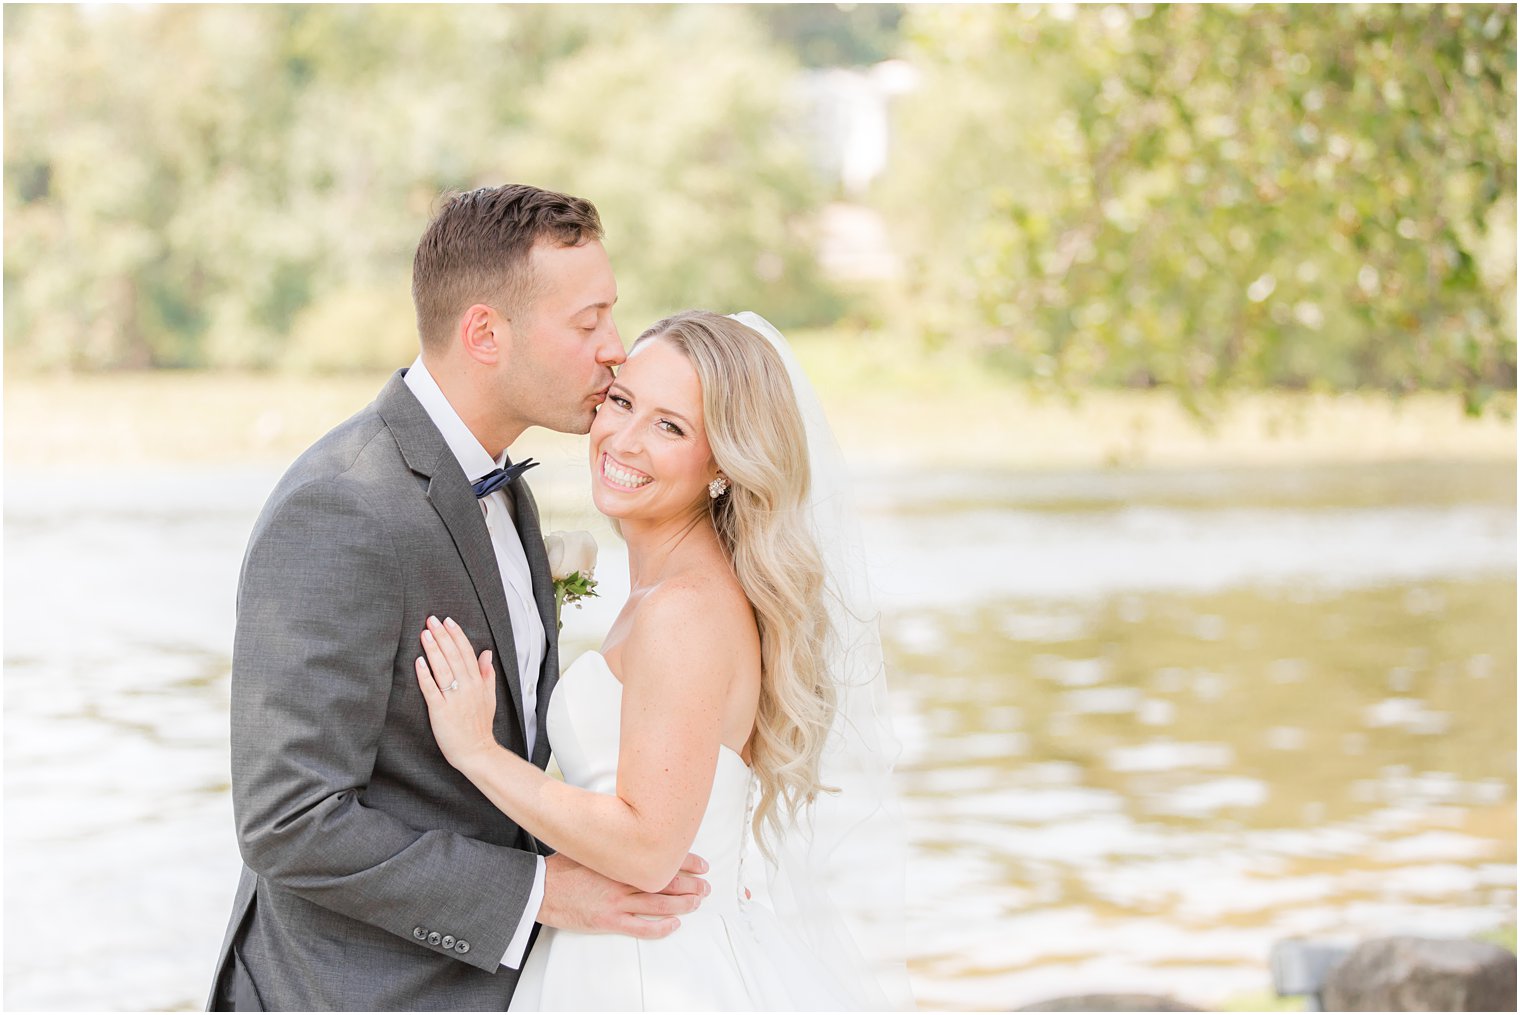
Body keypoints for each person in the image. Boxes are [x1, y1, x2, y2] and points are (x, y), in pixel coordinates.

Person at [207, 185, 711, 1012]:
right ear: (485, 333)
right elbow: (288, 820)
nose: (614, 349)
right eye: (587, 323)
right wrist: (538, 894)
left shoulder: (508, 491)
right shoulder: (342, 505)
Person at [414, 310, 913, 1010]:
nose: (624, 438)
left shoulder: (684, 609)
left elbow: (649, 846)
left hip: (649, 974)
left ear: (722, 465)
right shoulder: (674, 589)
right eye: (622, 402)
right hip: (626, 950)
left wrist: (476, 752)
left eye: (670, 426)